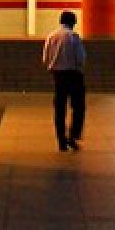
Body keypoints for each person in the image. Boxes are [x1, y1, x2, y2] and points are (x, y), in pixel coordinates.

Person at [42, 10, 87, 151]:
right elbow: (81, 57)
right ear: (73, 22)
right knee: (78, 107)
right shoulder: (73, 36)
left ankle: (61, 141)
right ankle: (72, 136)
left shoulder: (51, 36)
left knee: (60, 109)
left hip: (58, 75)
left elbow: (45, 58)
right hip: (74, 74)